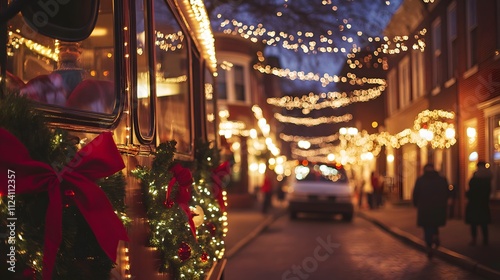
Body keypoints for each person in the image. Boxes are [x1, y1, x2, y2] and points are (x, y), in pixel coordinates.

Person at [412, 163, 450, 259]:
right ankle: (436, 237)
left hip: (425, 208)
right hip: (438, 207)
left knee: (427, 227)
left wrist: (416, 204)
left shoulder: (420, 180)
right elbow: (446, 192)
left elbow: (415, 193)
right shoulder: (441, 179)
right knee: (434, 224)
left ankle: (429, 246)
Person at [465, 161, 492, 246]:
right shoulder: (489, 178)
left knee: (474, 223)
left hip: (474, 204)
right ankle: (485, 240)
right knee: (484, 223)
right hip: (484, 204)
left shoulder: (475, 178)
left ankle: (474, 239)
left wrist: (468, 195)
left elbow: (470, 191)